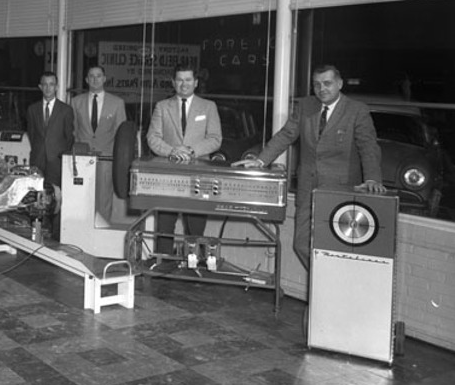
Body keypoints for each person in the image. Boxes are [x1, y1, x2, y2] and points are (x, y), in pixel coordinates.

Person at [233, 64, 384, 268]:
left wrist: (372, 179)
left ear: (339, 84)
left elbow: (368, 147)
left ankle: (328, 292)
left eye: (327, 83)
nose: (322, 89)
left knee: (336, 248)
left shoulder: (357, 110)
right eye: (317, 85)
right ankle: (323, 284)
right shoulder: (305, 106)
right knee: (301, 244)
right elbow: (286, 135)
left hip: (341, 191)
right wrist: (260, 161)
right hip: (308, 189)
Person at [146, 66, 223, 255]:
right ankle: (163, 264)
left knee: (196, 227)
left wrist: (191, 151)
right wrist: (172, 151)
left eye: (188, 80)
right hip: (169, 175)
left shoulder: (208, 106)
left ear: (195, 82)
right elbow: (152, 138)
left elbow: (215, 138)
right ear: (173, 82)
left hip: (199, 175)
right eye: (179, 80)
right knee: (164, 225)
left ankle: (193, 268)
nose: (184, 84)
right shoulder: (162, 107)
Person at [70, 65, 127, 220]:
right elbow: (73, 131)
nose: (95, 79)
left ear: (104, 78)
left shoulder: (117, 103)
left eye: (99, 76)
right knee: (81, 199)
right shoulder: (76, 102)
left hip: (106, 160)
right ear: (86, 79)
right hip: (82, 160)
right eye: (91, 76)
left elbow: (121, 136)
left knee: (104, 202)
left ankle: (101, 235)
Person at [26, 72, 74, 189]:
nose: (48, 88)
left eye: (51, 84)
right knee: (37, 194)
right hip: (37, 159)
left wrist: (59, 153)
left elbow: (69, 137)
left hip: (57, 160)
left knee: (55, 194)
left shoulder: (66, 110)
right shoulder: (32, 109)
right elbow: (31, 134)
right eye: (45, 84)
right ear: (40, 87)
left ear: (56, 87)